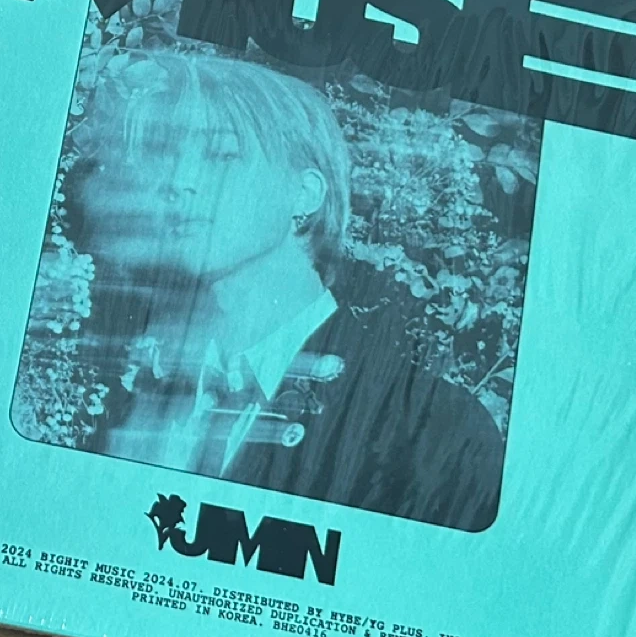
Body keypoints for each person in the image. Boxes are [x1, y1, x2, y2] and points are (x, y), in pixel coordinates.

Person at [76, 52, 505, 533]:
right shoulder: (119, 395)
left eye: (222, 154)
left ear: (306, 194)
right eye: (166, 154)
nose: (178, 181)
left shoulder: (435, 433)